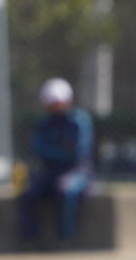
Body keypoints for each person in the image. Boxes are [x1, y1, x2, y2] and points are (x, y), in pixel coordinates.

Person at [18, 78, 95, 248]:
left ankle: (66, 240)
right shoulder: (43, 123)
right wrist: (62, 152)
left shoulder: (79, 121)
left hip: (77, 172)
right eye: (52, 102)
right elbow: (38, 148)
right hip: (50, 173)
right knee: (28, 195)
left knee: (66, 190)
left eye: (59, 101)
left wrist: (54, 153)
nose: (56, 106)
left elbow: (78, 153)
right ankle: (29, 241)